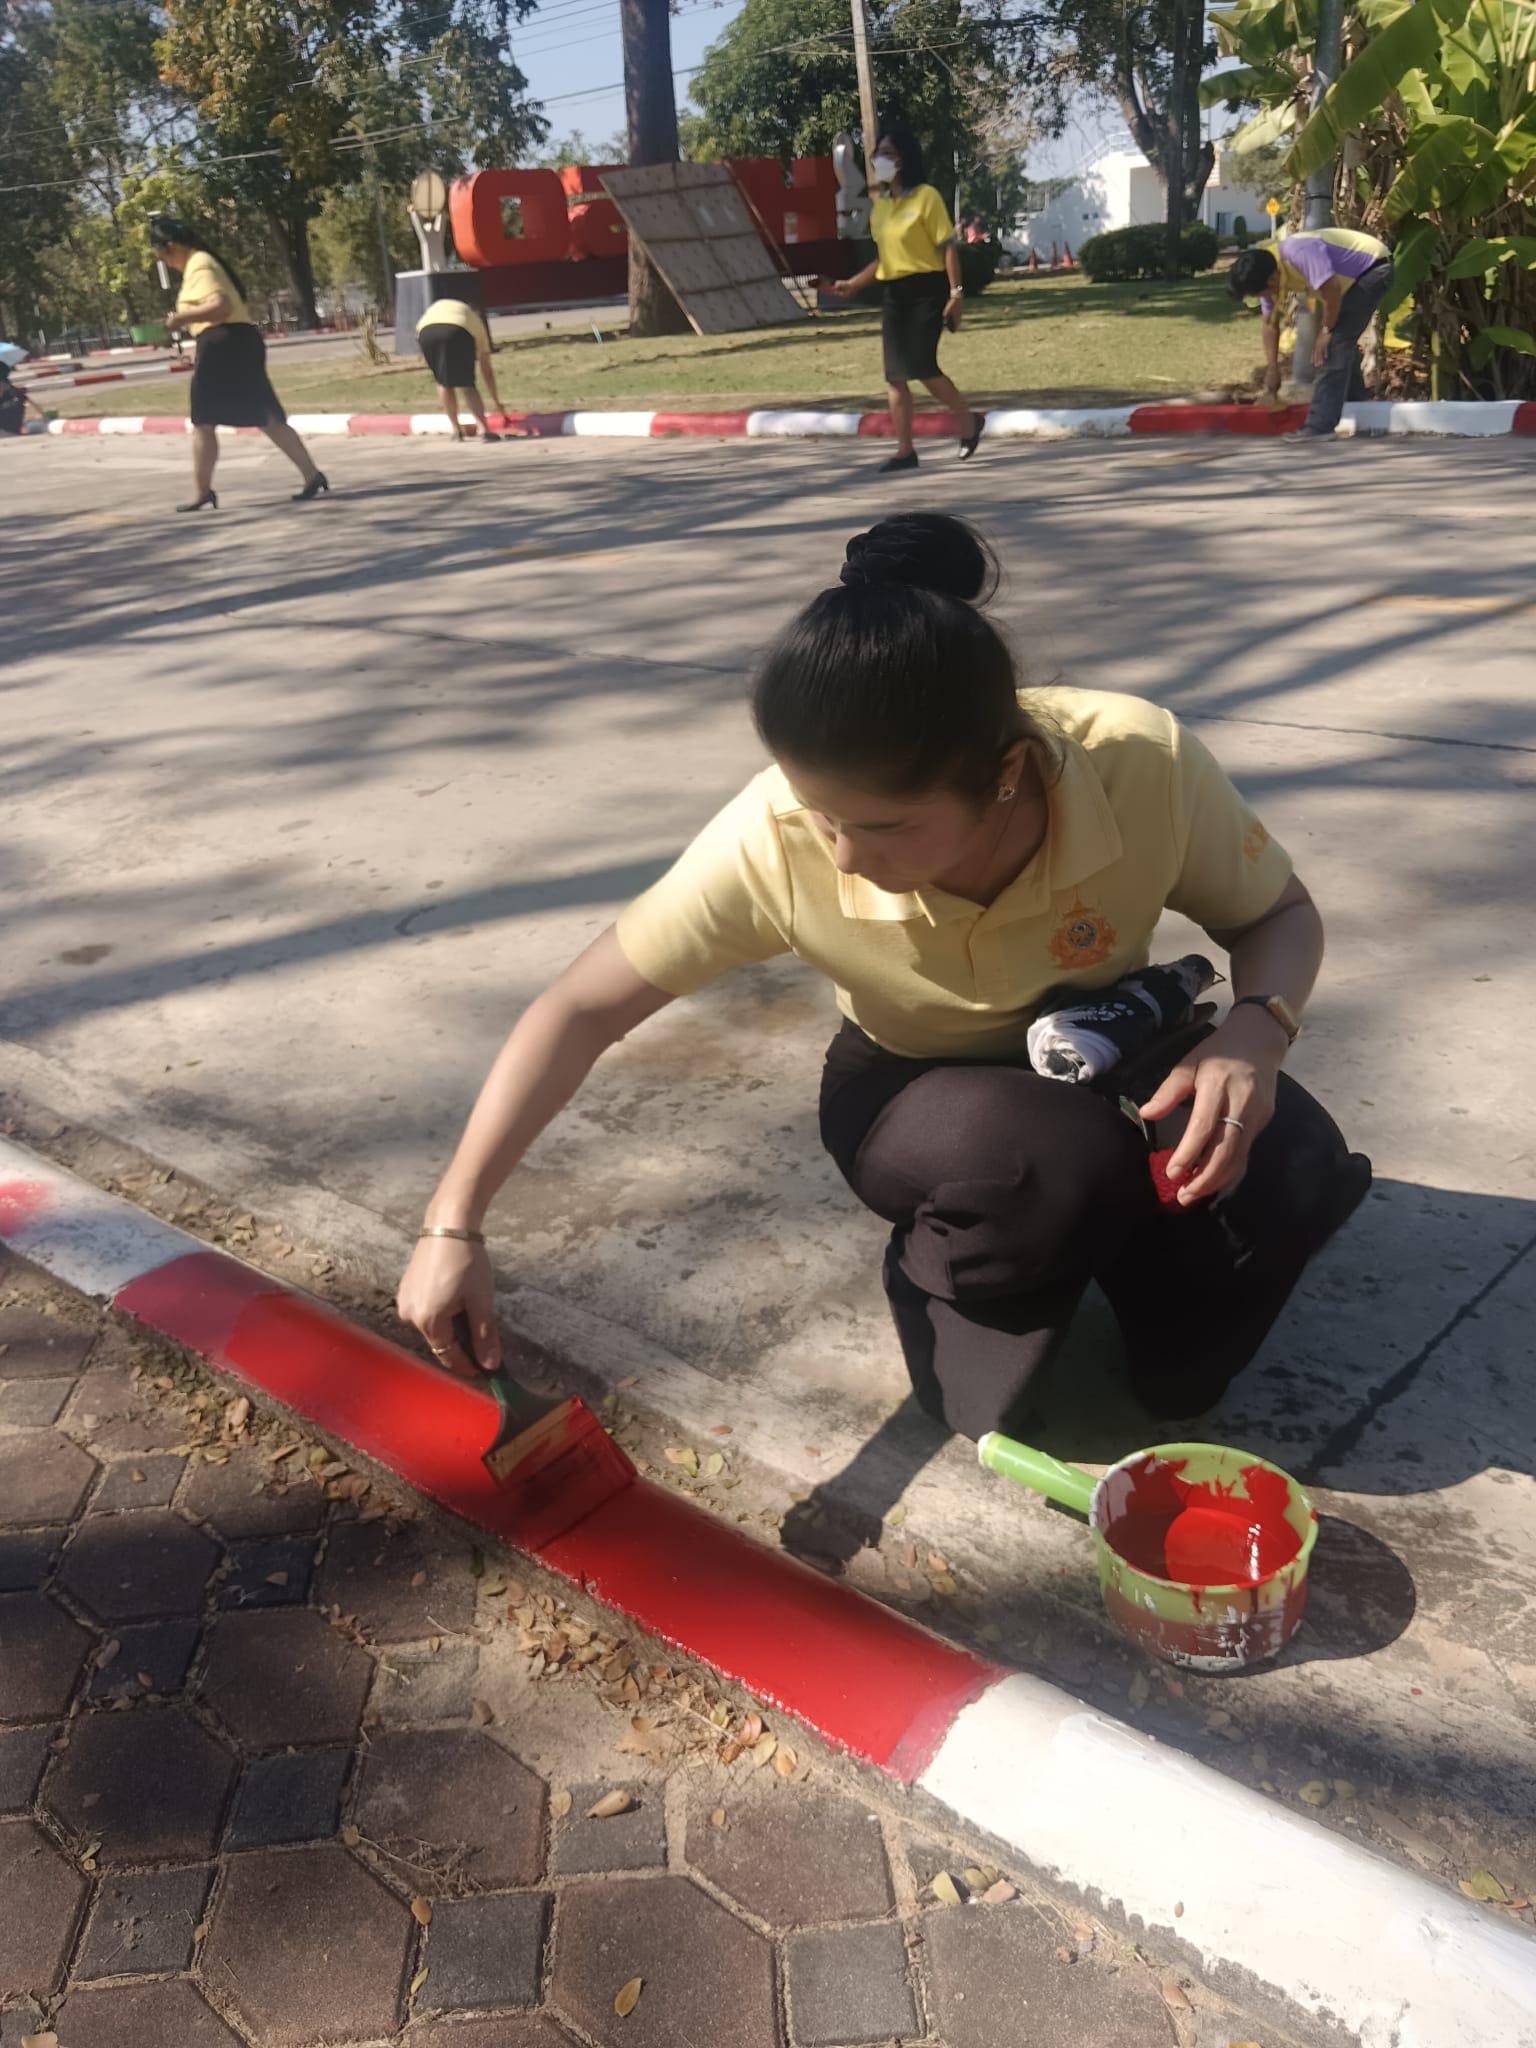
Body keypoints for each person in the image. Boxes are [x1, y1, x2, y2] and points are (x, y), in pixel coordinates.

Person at [397, 513, 1370, 1439]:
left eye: (887, 826)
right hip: (916, 1089)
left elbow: (1277, 913)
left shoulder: (1137, 761)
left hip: (1106, 1038)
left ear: (1005, 772)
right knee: (1048, 1171)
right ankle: (953, 1265)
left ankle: (1145, 1266)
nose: (845, 856)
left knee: (1278, 1168)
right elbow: (579, 1007)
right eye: (822, 812)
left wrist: (1258, 1028)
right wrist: (453, 1224)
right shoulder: (773, 837)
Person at [827, 121, 985, 474]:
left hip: (928, 290)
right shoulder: (880, 207)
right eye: (878, 154)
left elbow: (947, 247)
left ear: (904, 159)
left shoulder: (926, 197)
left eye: (888, 154)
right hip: (895, 293)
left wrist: (956, 293)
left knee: (923, 368)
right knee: (895, 376)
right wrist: (852, 284)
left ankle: (969, 421)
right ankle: (905, 451)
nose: (880, 160)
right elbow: (885, 258)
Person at [149, 215, 328, 511]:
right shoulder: (202, 264)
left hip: (225, 344)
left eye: (161, 255)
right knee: (266, 415)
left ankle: (202, 491)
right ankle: (312, 474)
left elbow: (221, 307)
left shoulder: (200, 264)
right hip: (236, 341)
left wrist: (180, 319)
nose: (165, 262)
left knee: (203, 420)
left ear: (170, 246)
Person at [1228, 227, 1393, 441]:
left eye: (1262, 294)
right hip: (1352, 282)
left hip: (1373, 269)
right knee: (1343, 347)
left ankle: (1320, 426)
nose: (1264, 298)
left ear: (1271, 281)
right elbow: (1270, 323)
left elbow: (1331, 290)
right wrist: (1272, 368)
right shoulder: (1267, 271)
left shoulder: (1299, 252)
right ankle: (1360, 411)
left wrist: (1326, 331)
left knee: (1332, 346)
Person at [416, 297, 505, 442]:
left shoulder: (442, 306)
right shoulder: (474, 321)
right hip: (457, 330)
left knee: (443, 381)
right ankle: (484, 430)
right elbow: (486, 371)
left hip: (426, 331)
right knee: (467, 384)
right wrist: (496, 402)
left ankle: (456, 431)